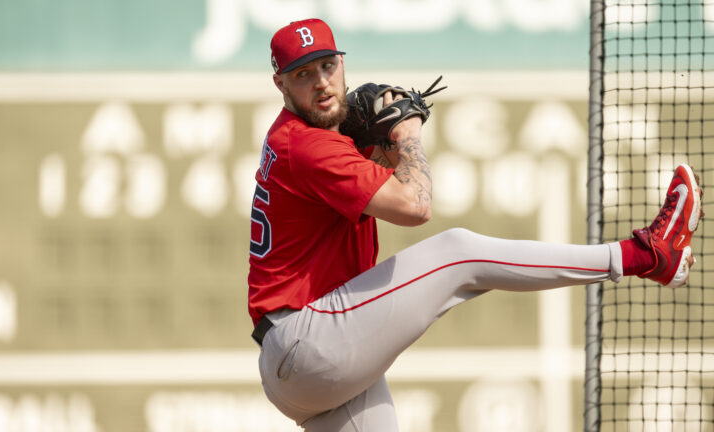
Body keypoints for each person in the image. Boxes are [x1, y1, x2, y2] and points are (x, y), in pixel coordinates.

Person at [247, 18, 703, 431]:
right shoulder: (307, 145)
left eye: (327, 66)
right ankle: (645, 254)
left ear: (342, 63)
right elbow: (415, 206)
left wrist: (374, 153)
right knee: (459, 252)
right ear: (280, 83)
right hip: (309, 342)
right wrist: (407, 136)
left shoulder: (304, 140)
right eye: (303, 75)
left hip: (304, 363)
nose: (322, 83)